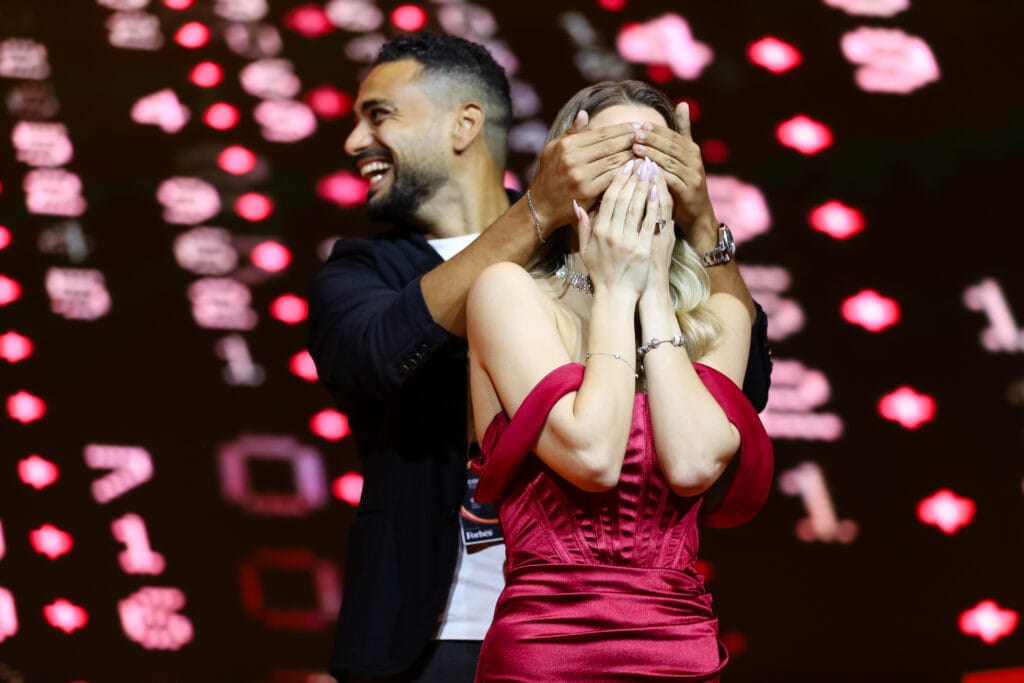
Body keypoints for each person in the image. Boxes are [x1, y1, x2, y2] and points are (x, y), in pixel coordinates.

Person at [307, 33, 772, 682]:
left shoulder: (681, 295)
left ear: (466, 123)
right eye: (617, 156)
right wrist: (544, 215)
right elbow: (376, 354)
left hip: (670, 638)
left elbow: (743, 385)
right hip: (444, 629)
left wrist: (697, 225)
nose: (356, 141)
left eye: (378, 114)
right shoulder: (375, 269)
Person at [467, 81, 774, 681]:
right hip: (546, 654)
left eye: (654, 158)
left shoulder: (721, 318)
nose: (634, 176)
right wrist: (613, 291)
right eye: (610, 154)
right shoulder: (508, 294)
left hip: (679, 650)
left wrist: (653, 292)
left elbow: (690, 466)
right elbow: (593, 455)